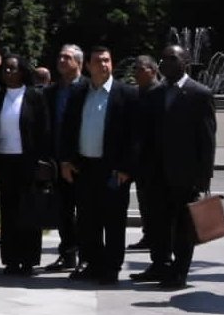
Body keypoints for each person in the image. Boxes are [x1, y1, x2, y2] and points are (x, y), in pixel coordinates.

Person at [131, 44, 216, 290]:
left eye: (171, 59)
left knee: (182, 226)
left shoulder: (199, 93)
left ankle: (179, 272)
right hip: (155, 174)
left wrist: (203, 177)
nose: (164, 63)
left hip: (184, 175)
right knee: (157, 223)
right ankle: (159, 264)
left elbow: (207, 139)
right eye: (163, 59)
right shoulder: (156, 93)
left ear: (185, 63)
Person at [60, 46, 139, 285]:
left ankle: (111, 267)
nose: (103, 65)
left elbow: (135, 136)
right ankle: (91, 263)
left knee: (113, 220)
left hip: (113, 169)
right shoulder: (79, 93)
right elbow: (68, 129)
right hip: (84, 167)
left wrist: (126, 168)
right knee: (87, 219)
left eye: (107, 60)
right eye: (98, 61)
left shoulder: (126, 94)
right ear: (88, 66)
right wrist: (65, 160)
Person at [0, 55, 50, 275]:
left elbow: (43, 130)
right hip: (4, 161)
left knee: (29, 211)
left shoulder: (35, 96)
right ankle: (11, 260)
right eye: (5, 69)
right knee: (9, 212)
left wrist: (43, 161)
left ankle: (28, 260)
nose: (9, 73)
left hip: (28, 161)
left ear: (23, 71)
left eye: (13, 69)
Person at [42, 45, 87, 271]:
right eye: (59, 56)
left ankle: (86, 256)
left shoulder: (88, 88)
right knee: (63, 211)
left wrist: (74, 159)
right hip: (57, 161)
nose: (61, 60)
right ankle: (67, 253)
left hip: (83, 161)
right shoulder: (51, 91)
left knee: (86, 211)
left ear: (78, 62)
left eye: (67, 57)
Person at [127, 54, 162, 252]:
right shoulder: (135, 93)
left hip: (156, 157)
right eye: (135, 69)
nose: (137, 73)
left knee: (157, 201)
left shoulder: (161, 92)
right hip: (139, 157)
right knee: (144, 199)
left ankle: (159, 237)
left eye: (141, 69)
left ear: (153, 71)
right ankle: (149, 234)